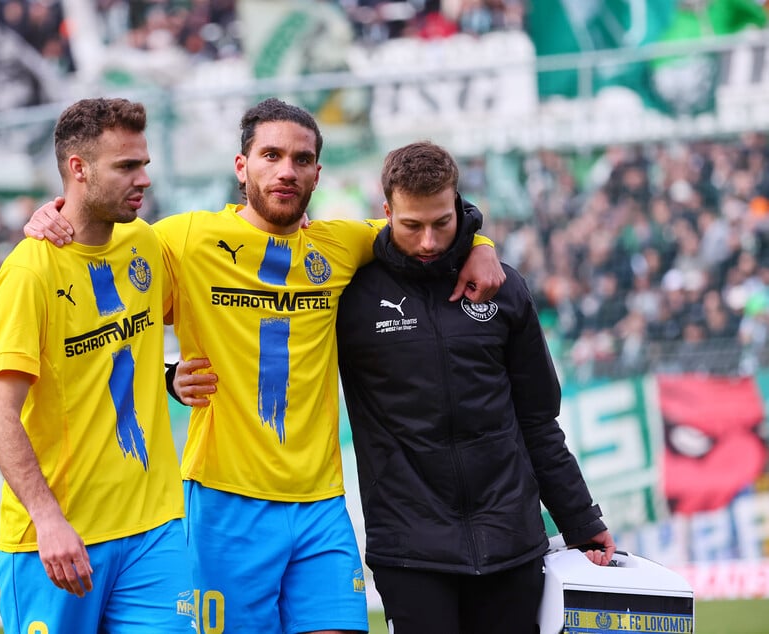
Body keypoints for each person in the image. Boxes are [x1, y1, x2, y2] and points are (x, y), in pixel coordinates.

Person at [25, 98, 506, 633]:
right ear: (241, 166)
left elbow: (423, 226)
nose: (286, 170)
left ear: (317, 174)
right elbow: (108, 264)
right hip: (226, 505)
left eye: (301, 160)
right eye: (271, 154)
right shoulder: (183, 240)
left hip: (320, 504)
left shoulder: (343, 245)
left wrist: (479, 241)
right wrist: (56, 212)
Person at [173, 141, 616, 634]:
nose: (428, 241)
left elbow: (537, 419)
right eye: (411, 226)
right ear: (386, 214)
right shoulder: (348, 289)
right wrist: (171, 375)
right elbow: (258, 333)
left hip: (511, 539)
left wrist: (580, 519)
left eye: (442, 224)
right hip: (409, 550)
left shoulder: (502, 288)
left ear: (461, 211)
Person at [0, 98, 193, 633]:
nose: (143, 178)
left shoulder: (146, 242)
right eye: (126, 166)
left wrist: (168, 376)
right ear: (78, 169)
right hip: (57, 540)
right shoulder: (28, 274)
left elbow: (147, 333)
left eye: (143, 163)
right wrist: (48, 520)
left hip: (155, 528)